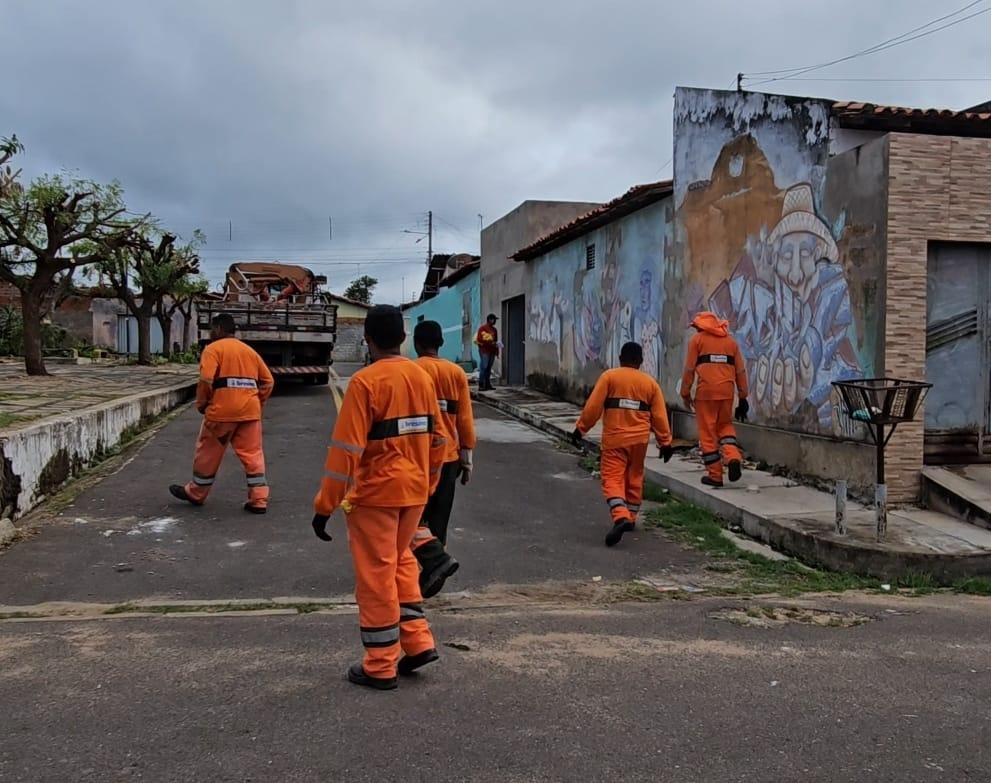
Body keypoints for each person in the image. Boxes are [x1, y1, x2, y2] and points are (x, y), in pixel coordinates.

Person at [311, 305, 447, 691]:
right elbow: (439, 440)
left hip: (376, 496)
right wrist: (428, 484)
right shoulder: (422, 380)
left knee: (376, 577)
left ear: (368, 340)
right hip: (414, 493)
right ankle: (418, 642)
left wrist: (325, 506)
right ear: (404, 339)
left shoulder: (365, 383)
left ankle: (380, 665)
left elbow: (344, 455)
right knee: (402, 563)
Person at [572, 341, 673, 547]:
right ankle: (632, 517)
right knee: (635, 476)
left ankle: (620, 515)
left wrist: (581, 428)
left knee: (612, 478)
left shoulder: (610, 377)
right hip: (640, 440)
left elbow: (593, 407)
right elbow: (660, 416)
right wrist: (665, 442)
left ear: (620, 358)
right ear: (641, 361)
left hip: (615, 439)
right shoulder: (650, 383)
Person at [170, 313, 274, 513]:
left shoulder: (213, 349)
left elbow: (207, 380)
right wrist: (256, 402)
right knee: (253, 455)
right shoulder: (249, 351)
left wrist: (202, 404)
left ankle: (196, 493)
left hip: (221, 413)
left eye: (211, 329)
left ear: (218, 329)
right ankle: (259, 500)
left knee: (208, 453)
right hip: (250, 413)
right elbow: (268, 381)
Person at [408, 320, 475, 598]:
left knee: (412, 516)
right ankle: (435, 565)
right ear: (441, 344)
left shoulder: (412, 371)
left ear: (415, 344)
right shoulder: (456, 372)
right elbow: (465, 419)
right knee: (439, 516)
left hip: (417, 456)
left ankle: (420, 566)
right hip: (448, 457)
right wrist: (467, 457)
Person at [680, 311, 749, 488]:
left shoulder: (697, 341)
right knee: (725, 426)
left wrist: (685, 394)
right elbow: (740, 371)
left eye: (697, 327)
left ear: (701, 326)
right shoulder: (731, 342)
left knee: (708, 434)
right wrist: (743, 397)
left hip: (706, 393)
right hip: (727, 392)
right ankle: (733, 457)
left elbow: (689, 370)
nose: (696, 330)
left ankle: (715, 476)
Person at [475, 313, 499, 391]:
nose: (495, 321)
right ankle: (481, 385)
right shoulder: (483, 328)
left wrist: (497, 350)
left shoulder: (494, 330)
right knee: (484, 367)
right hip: (484, 351)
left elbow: (496, 341)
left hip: (492, 350)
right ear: (490, 320)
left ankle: (488, 384)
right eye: (494, 319)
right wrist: (488, 342)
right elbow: (479, 339)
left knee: (489, 368)